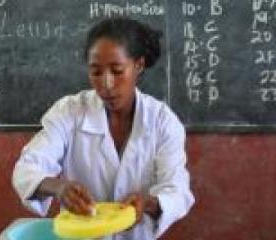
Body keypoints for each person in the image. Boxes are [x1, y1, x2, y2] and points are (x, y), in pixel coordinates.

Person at [12, 17, 194, 239]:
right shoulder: (69, 112)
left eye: (117, 71)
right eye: (96, 72)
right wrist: (59, 188)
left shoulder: (162, 122)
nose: (106, 84)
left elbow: (177, 190)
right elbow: (27, 168)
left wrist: (147, 204)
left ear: (138, 65)